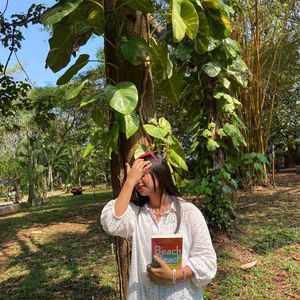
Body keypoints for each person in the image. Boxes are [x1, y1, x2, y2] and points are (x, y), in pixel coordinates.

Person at [101, 150, 217, 300]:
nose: (138, 182)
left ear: (160, 174)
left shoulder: (189, 213)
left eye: (142, 175)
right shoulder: (135, 214)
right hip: (144, 295)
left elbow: (207, 260)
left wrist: (174, 275)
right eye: (136, 177)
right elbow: (111, 223)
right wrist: (129, 182)